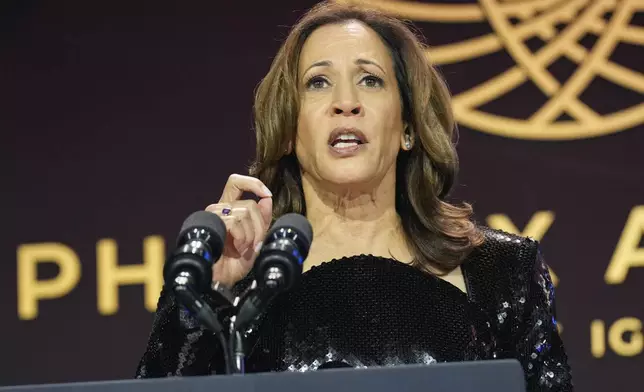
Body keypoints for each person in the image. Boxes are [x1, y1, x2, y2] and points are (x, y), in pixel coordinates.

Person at [135, 1, 572, 391]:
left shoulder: (502, 273)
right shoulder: (238, 287)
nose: (346, 102)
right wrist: (211, 292)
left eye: (370, 79)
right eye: (318, 82)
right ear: (288, 129)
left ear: (407, 128)